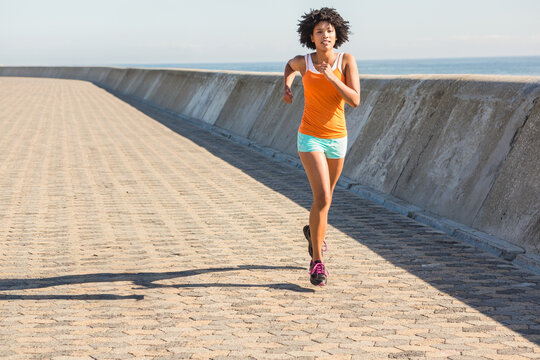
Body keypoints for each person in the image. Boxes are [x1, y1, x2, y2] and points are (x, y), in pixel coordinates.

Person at [283, 7, 360, 286]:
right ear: (311, 37)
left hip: (338, 138)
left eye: (329, 30)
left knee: (325, 202)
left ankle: (313, 232)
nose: (325, 35)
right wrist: (287, 86)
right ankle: (317, 262)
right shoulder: (304, 61)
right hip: (310, 137)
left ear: (336, 34)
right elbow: (289, 67)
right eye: (319, 32)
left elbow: (355, 100)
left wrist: (332, 77)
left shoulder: (346, 60)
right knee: (323, 198)